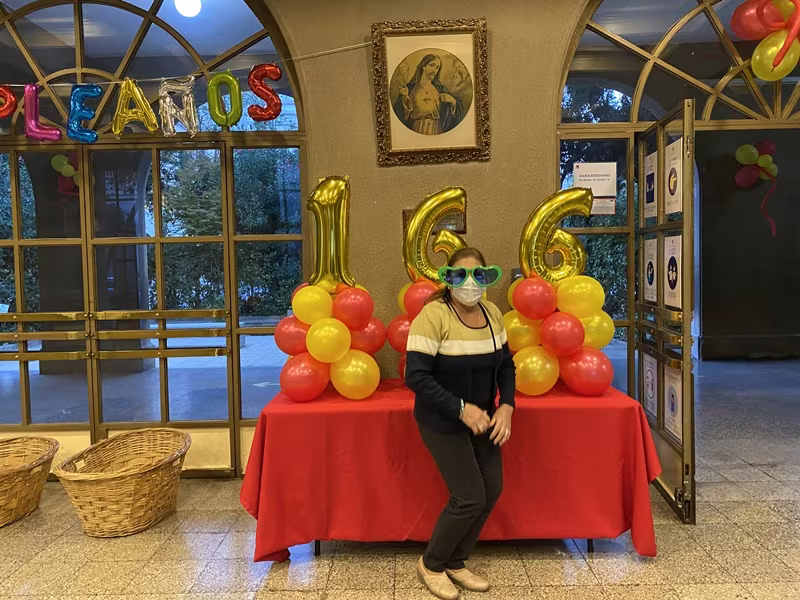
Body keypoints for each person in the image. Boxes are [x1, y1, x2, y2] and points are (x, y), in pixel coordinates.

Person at [405, 248, 516, 600]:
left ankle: (455, 560)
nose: (470, 283)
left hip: (483, 419)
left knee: (492, 488)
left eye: (478, 275)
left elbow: (506, 366)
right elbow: (416, 376)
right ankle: (432, 563)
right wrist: (461, 409)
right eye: (460, 275)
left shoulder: (492, 313)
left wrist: (507, 406)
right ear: (448, 279)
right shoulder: (433, 316)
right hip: (442, 419)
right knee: (469, 496)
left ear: (487, 277)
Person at [394, 53, 463, 135]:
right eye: (432, 65)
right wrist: (405, 97)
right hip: (417, 129)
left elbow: (452, 116)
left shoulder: (440, 89)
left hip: (436, 129)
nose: (435, 70)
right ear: (423, 66)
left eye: (437, 67)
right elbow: (400, 114)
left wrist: (453, 101)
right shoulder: (411, 88)